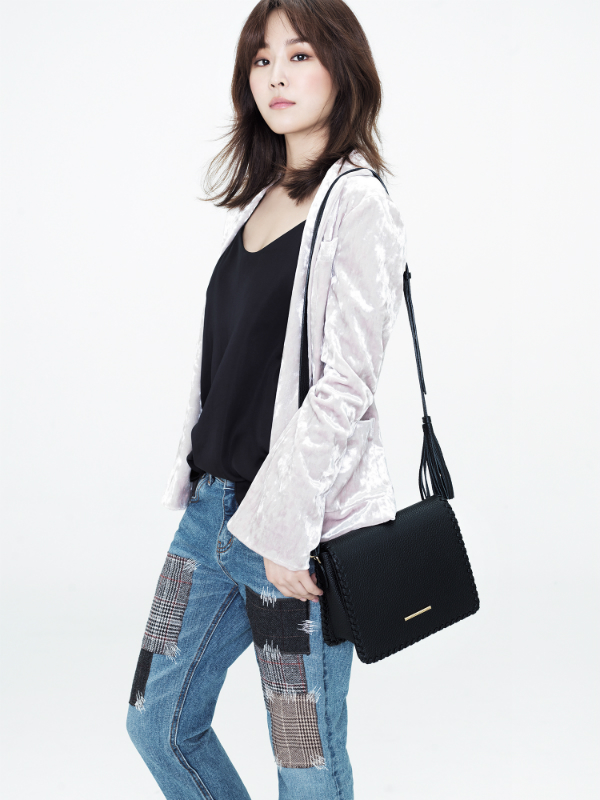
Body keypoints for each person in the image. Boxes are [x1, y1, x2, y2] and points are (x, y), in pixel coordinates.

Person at [126, 1, 406, 798]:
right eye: (262, 59)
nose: (276, 74)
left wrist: (287, 526)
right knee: (154, 718)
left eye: (300, 55)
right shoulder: (264, 200)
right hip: (210, 516)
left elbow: (347, 383)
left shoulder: (357, 203)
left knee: (303, 757)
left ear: (342, 67)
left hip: (292, 534)